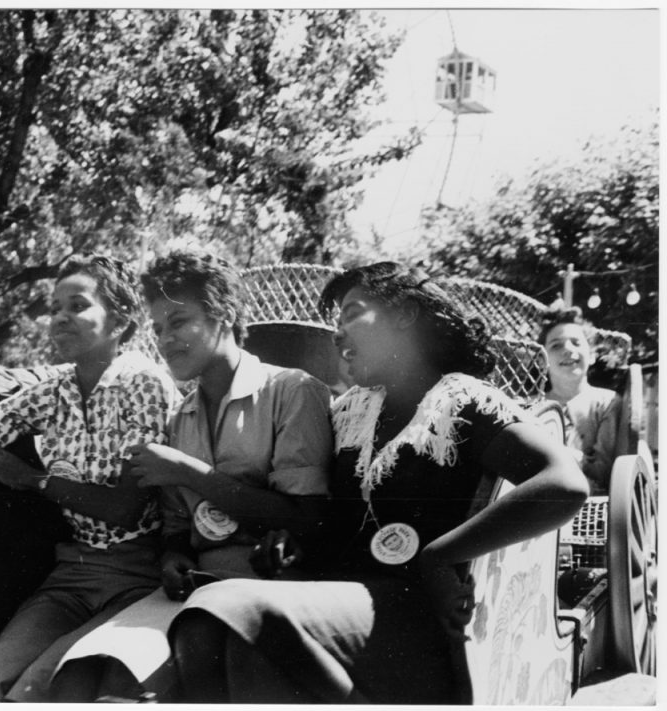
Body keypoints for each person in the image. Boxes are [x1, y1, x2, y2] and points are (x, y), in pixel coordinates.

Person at [165, 261, 588, 704]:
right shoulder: (352, 412)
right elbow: (340, 525)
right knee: (212, 630)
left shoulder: (461, 400)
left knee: (228, 611)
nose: (338, 333)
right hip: (351, 609)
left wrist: (439, 557)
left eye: (351, 313)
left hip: (423, 621)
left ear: (405, 315)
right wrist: (294, 544)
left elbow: (563, 485)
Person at [48, 250, 334, 702]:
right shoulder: (181, 416)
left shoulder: (291, 391)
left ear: (223, 314)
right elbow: (178, 526)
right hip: (194, 588)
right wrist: (172, 556)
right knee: (75, 681)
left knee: (124, 687)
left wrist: (187, 471)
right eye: (158, 328)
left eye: (178, 322)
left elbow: (308, 518)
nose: (164, 340)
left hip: (265, 588)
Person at [0, 254, 180, 701]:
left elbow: (125, 507)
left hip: (141, 577)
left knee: (37, 688)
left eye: (77, 306)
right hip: (72, 573)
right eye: (54, 308)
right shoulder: (50, 392)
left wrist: (33, 481)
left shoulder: (145, 384)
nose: (59, 318)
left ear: (120, 322)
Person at [539, 306, 621, 494]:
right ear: (543, 360)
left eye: (576, 342)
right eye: (556, 345)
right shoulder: (534, 406)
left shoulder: (607, 402)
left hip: (589, 500)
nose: (567, 350)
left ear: (592, 355)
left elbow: (602, 471)